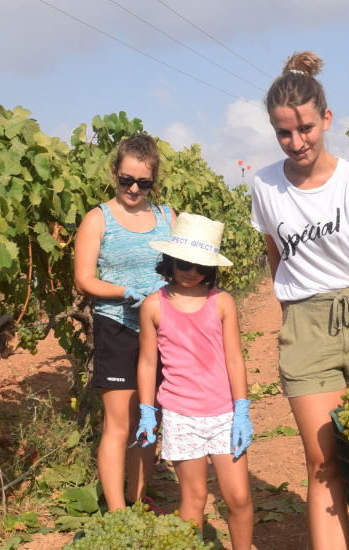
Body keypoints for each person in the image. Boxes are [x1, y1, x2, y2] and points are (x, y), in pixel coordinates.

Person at [250, 51, 349, 550]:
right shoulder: (264, 185)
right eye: (284, 133)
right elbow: (276, 259)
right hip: (306, 327)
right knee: (323, 463)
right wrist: (296, 319)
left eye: (306, 129)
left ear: (327, 119)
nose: (297, 142)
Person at [134, 213, 253, 549]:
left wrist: (241, 408)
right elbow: (147, 361)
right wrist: (147, 410)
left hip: (224, 416)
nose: (191, 272)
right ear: (170, 260)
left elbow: (234, 358)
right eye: (184, 263)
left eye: (200, 266)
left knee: (239, 497)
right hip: (181, 416)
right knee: (194, 499)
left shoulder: (222, 302)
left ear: (210, 268)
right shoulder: (154, 305)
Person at [72, 133, 175, 511]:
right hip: (117, 327)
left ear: (153, 181)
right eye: (126, 180)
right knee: (118, 423)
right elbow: (84, 278)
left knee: (150, 419)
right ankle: (118, 514)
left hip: (161, 332)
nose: (133, 188)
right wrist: (123, 291)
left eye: (143, 182)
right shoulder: (97, 219)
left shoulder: (167, 217)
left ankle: (138, 499)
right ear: (114, 173)